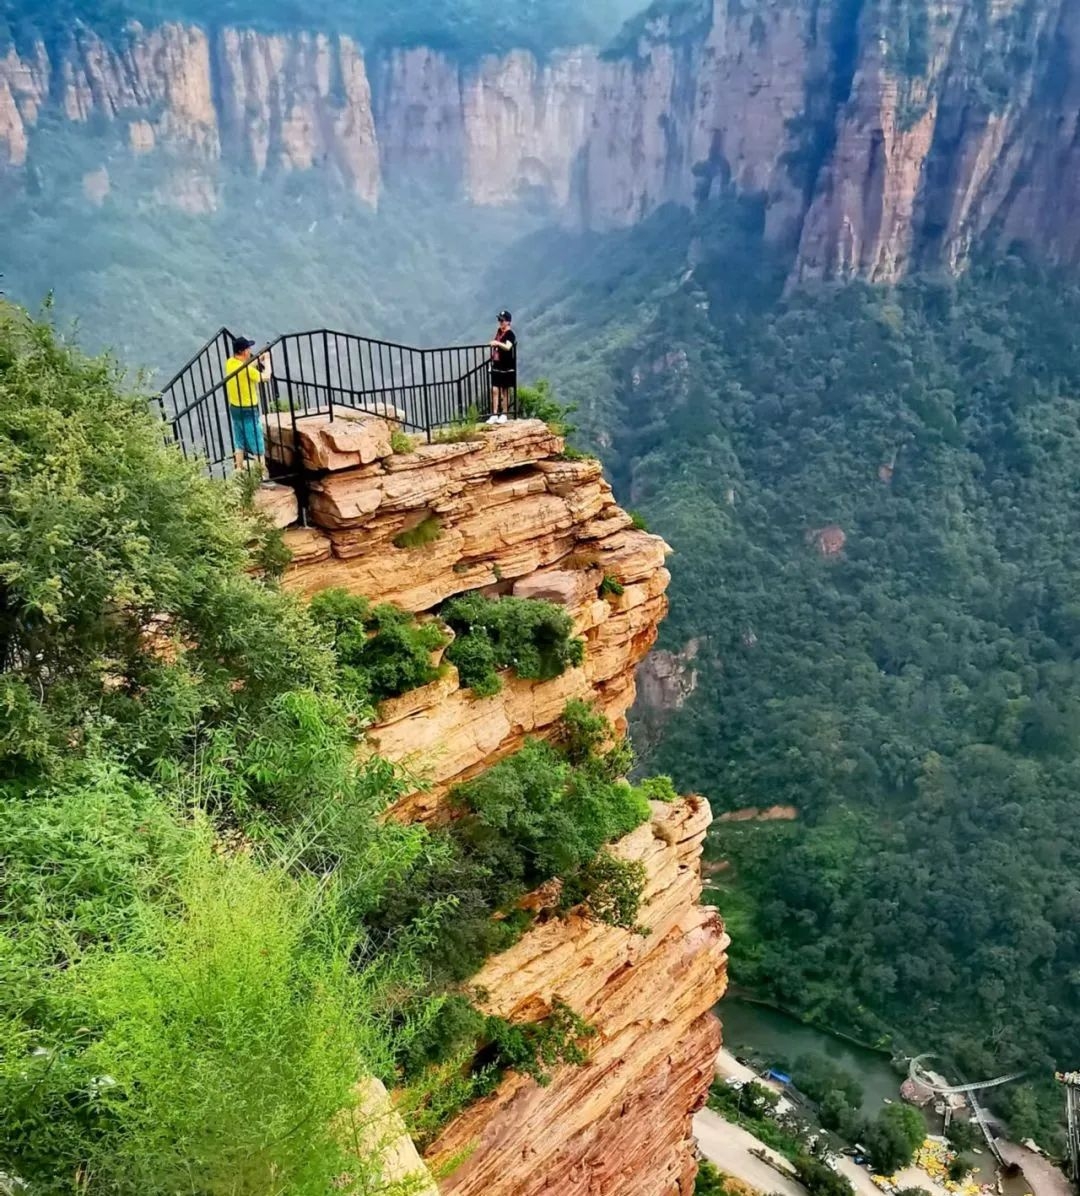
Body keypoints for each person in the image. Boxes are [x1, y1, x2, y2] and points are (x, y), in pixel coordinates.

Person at [224, 336, 271, 475]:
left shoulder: (230, 363)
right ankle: (262, 475)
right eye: (248, 349)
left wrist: (258, 359)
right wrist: (267, 362)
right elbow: (266, 377)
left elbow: (246, 367)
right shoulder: (246, 370)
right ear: (244, 351)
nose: (250, 351)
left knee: (239, 439)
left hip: (235, 408)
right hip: (248, 409)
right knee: (257, 442)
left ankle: (238, 469)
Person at [488, 310, 517, 424]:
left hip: (506, 366)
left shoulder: (510, 334)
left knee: (505, 390)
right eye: (499, 320)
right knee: (495, 389)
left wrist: (497, 343)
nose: (500, 322)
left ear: (508, 322)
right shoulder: (499, 332)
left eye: (502, 320)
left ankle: (504, 413)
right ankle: (494, 413)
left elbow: (508, 347)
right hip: (497, 364)